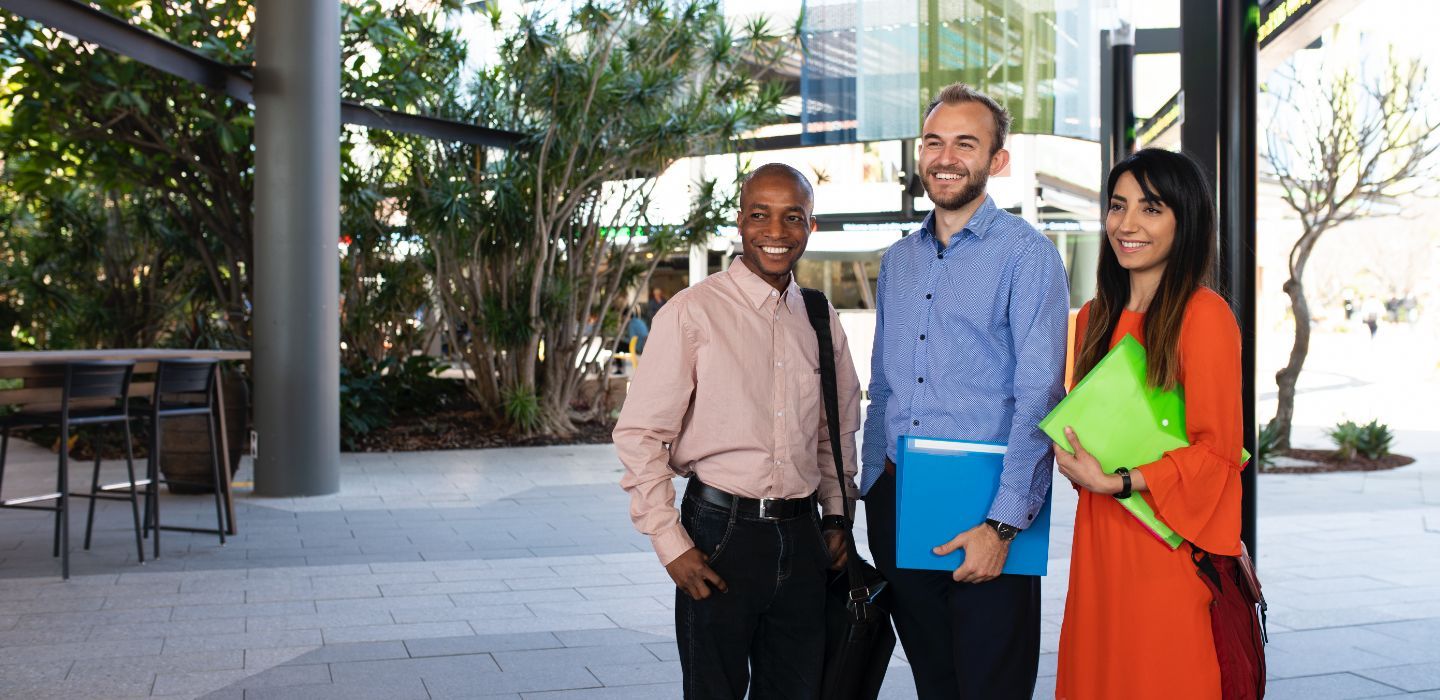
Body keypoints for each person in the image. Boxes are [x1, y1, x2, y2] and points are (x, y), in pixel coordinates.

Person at [613, 163, 862, 700]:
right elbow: (639, 435)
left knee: (798, 690)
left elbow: (833, 432)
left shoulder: (819, 317)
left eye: (792, 217)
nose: (776, 232)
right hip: (718, 534)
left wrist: (837, 518)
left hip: (803, 535)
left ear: (810, 227)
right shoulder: (691, 314)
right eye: (759, 215)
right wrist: (670, 542)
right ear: (739, 222)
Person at [860, 83, 1070, 699]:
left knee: (990, 687)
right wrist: (871, 485)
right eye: (933, 141)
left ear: (996, 160)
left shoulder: (1028, 256)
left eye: (965, 143)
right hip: (899, 501)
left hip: (988, 506)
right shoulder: (898, 260)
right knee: (936, 684)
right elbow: (885, 382)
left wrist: (1003, 525)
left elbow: (1039, 395)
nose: (945, 157)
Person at [1053, 148, 1245, 699]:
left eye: (1150, 208)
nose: (1127, 224)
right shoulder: (1092, 317)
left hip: (1167, 551)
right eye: (1118, 206)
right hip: (1100, 545)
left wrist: (1118, 480)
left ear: (1185, 222)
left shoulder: (1204, 315)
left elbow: (1219, 452)